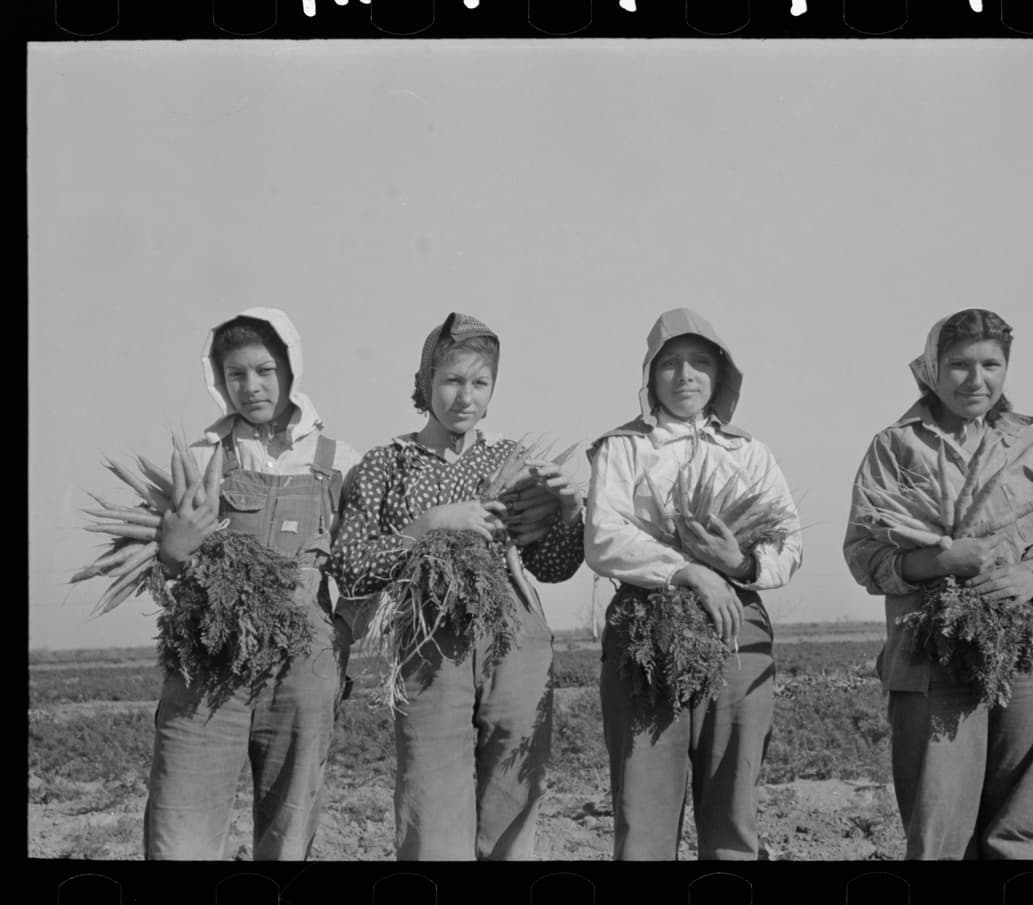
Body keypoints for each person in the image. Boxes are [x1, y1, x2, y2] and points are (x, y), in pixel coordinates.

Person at [843, 308, 1033, 860]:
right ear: (932, 368)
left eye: (991, 364)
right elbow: (864, 555)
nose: (975, 379)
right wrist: (938, 562)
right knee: (939, 824)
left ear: (1007, 369)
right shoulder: (894, 447)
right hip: (933, 643)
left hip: (1030, 645)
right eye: (959, 364)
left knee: (1022, 827)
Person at [329, 311, 584, 861]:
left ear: (492, 391)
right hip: (427, 644)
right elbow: (349, 566)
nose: (464, 397)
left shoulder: (511, 461)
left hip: (514, 637)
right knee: (431, 802)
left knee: (514, 801)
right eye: (450, 380)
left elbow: (555, 566)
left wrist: (567, 513)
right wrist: (431, 524)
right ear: (424, 383)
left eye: (479, 382)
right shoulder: (384, 464)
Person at [585, 307, 803, 860]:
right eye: (671, 364)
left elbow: (788, 545)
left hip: (737, 625)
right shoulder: (623, 446)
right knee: (644, 805)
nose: (686, 376)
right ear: (650, 375)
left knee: (732, 807)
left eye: (700, 363)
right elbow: (604, 537)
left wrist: (739, 563)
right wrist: (685, 571)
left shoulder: (750, 453)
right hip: (646, 627)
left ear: (721, 375)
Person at [144, 307, 362, 860]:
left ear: (291, 369)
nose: (251, 387)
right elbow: (166, 566)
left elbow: (365, 567)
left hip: (303, 664)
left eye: (265, 370)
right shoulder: (200, 459)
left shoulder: (340, 462)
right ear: (218, 380)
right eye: (236, 374)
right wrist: (171, 554)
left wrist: (341, 632)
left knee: (288, 833)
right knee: (180, 829)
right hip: (208, 655)